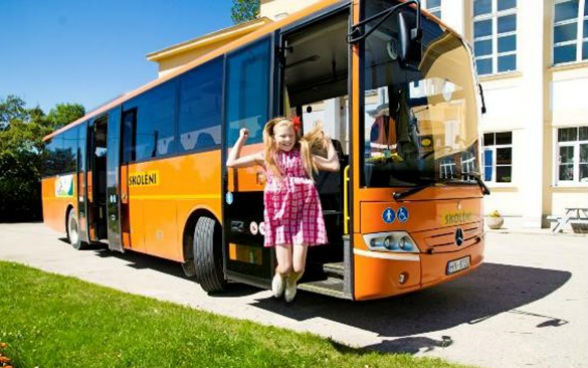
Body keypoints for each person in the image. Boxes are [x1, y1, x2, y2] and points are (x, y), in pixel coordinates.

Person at [226, 117, 340, 302]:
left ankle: (293, 282)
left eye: (290, 136)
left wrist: (328, 144)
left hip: (304, 215)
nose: (287, 140)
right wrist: (242, 139)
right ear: (273, 137)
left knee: (298, 267)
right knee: (285, 266)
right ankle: (279, 276)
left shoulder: (303, 155)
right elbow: (231, 163)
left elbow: (333, 165)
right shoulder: (267, 156)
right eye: (283, 136)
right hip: (280, 216)